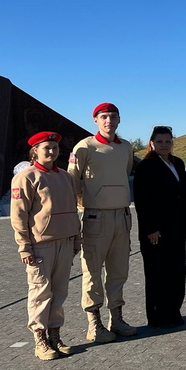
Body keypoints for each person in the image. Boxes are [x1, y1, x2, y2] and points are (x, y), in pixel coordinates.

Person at [68, 103, 136, 343]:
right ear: (95, 120)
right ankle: (94, 324)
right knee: (93, 271)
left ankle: (116, 319)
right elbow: (72, 180)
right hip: (96, 217)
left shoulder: (125, 147)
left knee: (119, 271)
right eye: (104, 117)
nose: (109, 121)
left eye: (113, 117)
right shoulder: (84, 147)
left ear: (119, 120)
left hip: (122, 216)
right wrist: (83, 205)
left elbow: (125, 172)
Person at [11, 131, 81, 360]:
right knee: (41, 292)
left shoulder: (64, 176)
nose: (51, 151)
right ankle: (40, 339)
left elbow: (73, 208)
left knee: (60, 292)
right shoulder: (26, 177)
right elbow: (19, 215)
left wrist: (76, 238)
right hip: (41, 245)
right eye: (46, 148)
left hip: (65, 241)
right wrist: (24, 246)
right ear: (35, 152)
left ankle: (55, 335)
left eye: (54, 148)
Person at [133, 126, 186, 329]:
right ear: (151, 143)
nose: (164, 145)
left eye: (168, 141)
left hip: (177, 227)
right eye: (160, 141)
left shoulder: (178, 163)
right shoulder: (146, 166)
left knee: (177, 270)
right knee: (158, 273)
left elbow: (183, 193)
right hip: (156, 231)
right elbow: (142, 200)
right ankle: (157, 316)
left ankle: (173, 311)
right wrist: (151, 228)